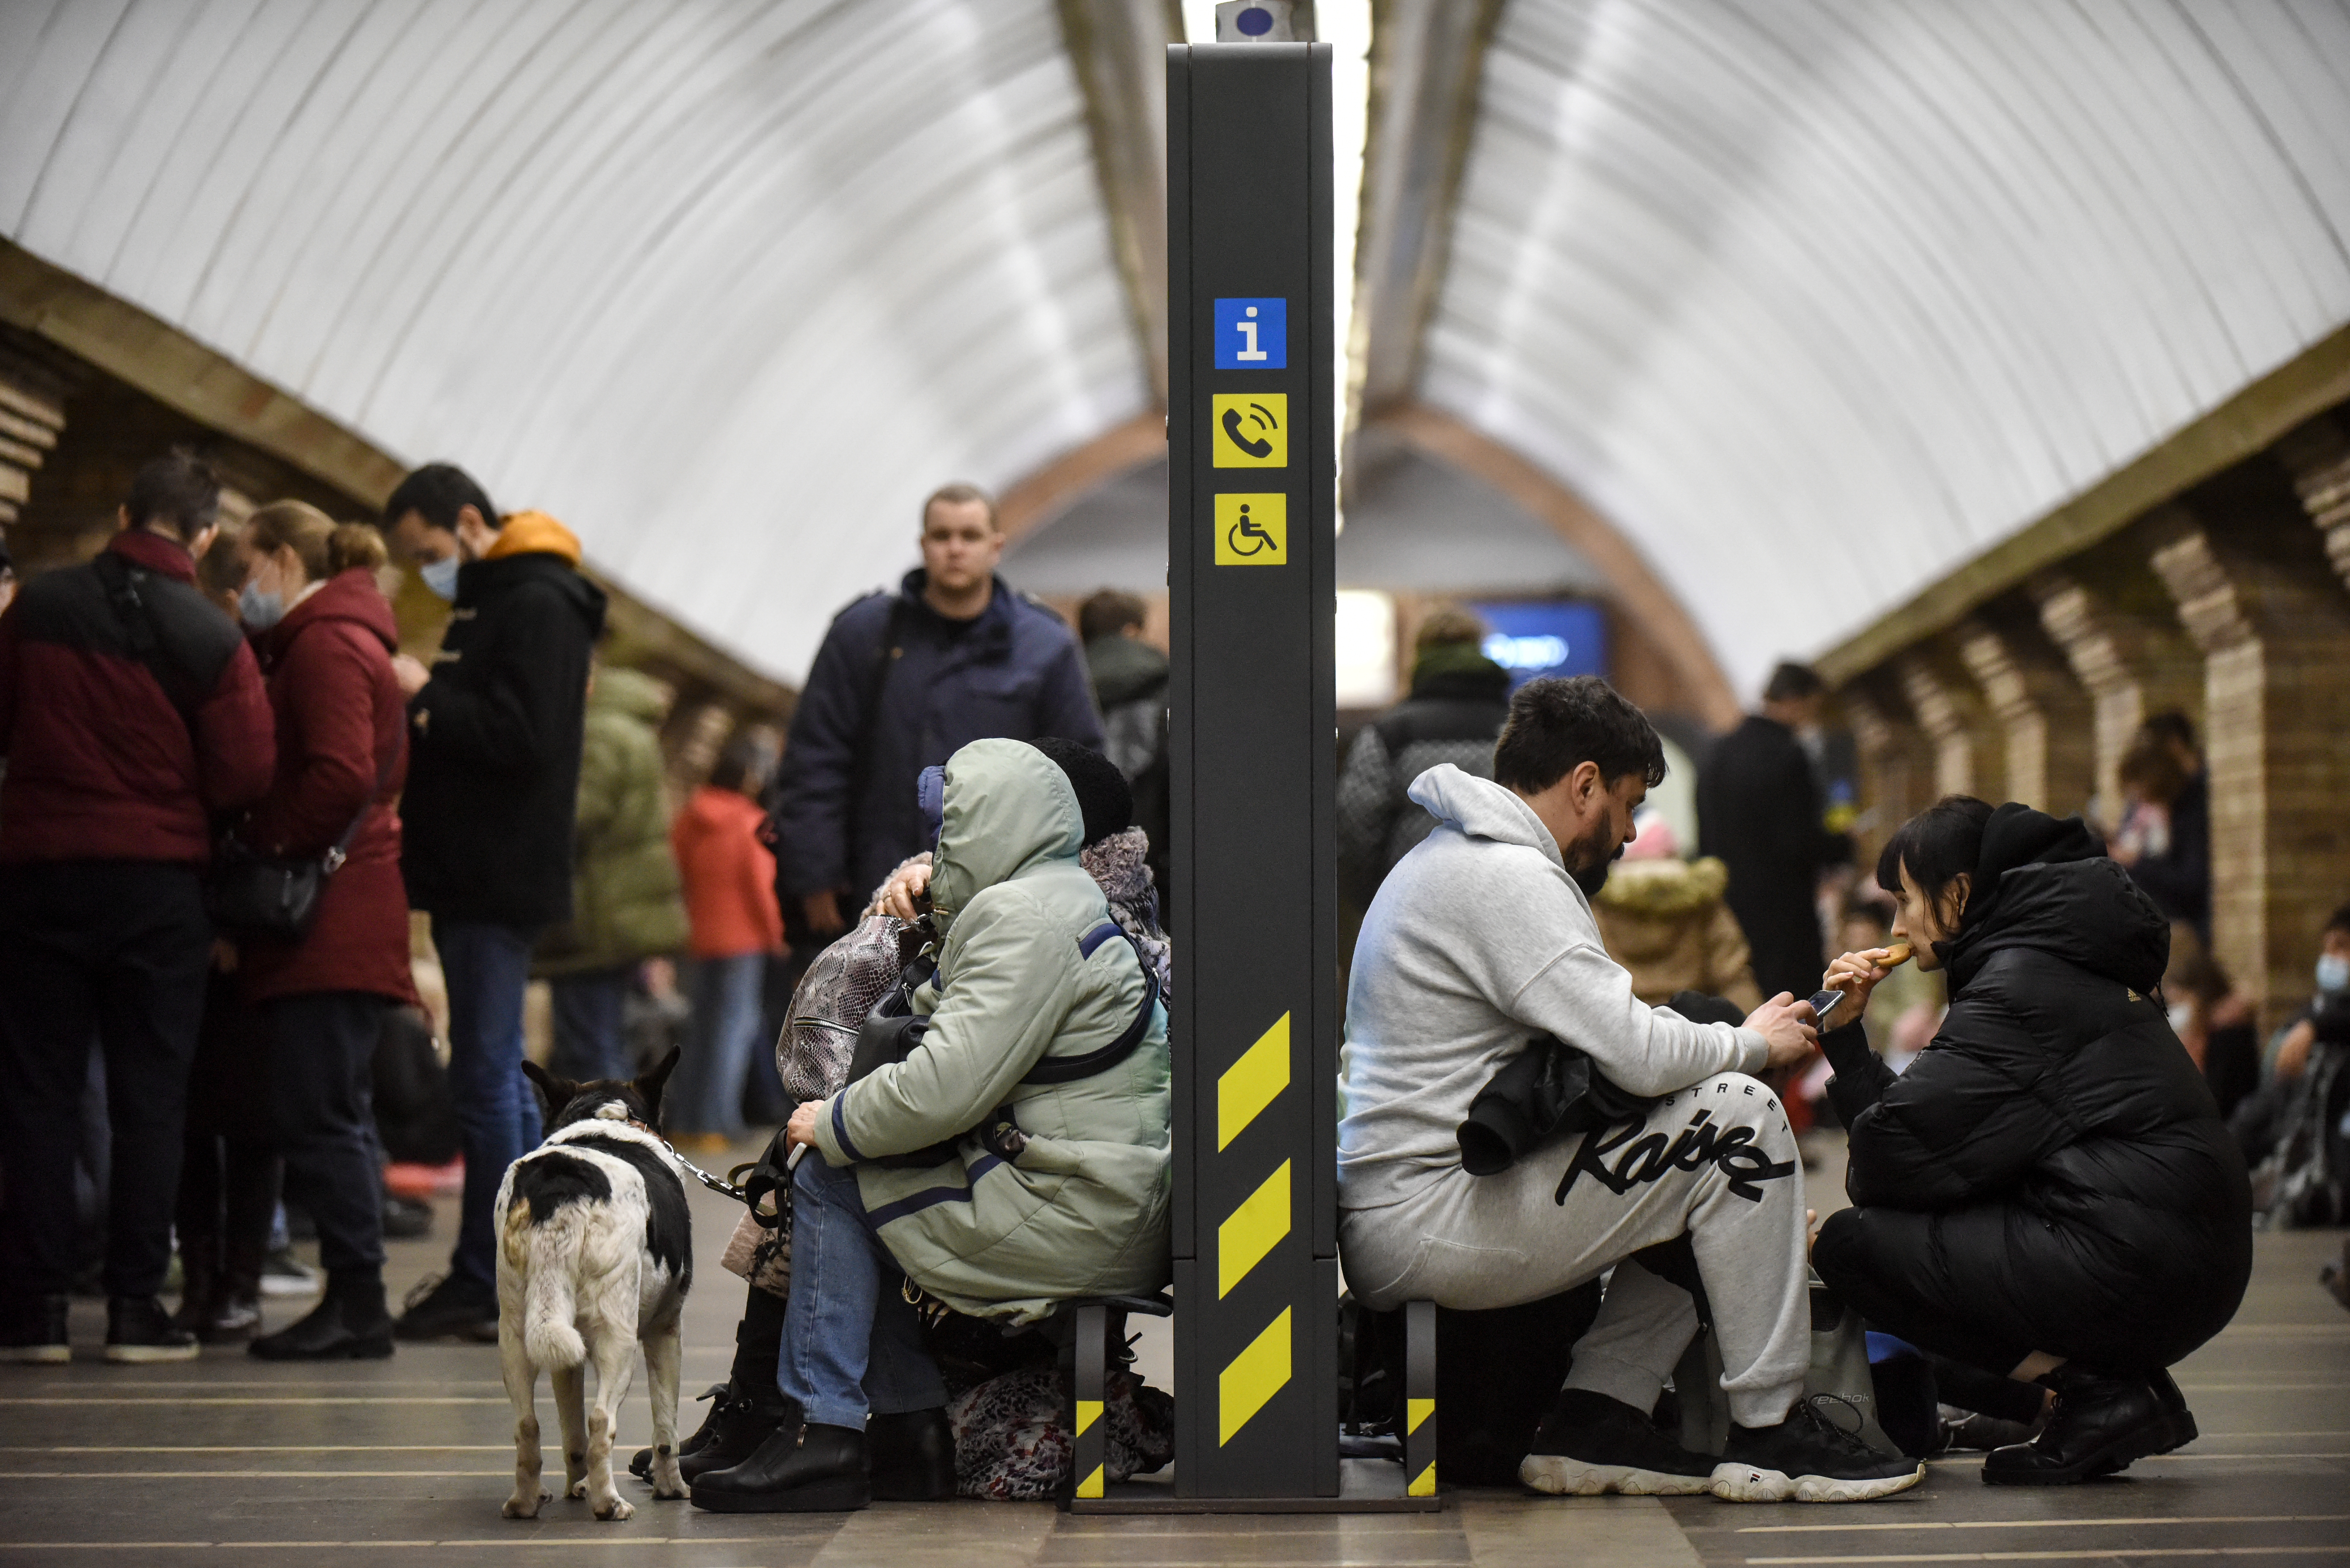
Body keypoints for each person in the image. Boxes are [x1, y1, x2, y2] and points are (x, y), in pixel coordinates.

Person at [1338, 675, 1920, 1503]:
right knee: (1742, 1119)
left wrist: (1736, 1041)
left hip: (1418, 1206)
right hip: (1434, 1219)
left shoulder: (1452, 860)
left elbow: (1616, 1044)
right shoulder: (1506, 878)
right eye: (1628, 803)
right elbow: (1635, 1051)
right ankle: (1771, 1432)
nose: (1630, 832)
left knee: (1699, 1131)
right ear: (1584, 784)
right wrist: (1751, 1044)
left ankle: (1596, 1421)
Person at [690, 738, 1170, 1512]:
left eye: (953, 825)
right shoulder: (1050, 899)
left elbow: (945, 1082)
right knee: (863, 1179)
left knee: (832, 1175)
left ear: (994, 823)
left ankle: (824, 1431)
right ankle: (904, 1435)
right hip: (1093, 1190)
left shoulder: (1023, 918)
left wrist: (831, 1120)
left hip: (1073, 1209)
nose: (940, 842)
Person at [1810, 796, 2252, 1485]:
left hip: (2140, 1257)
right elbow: (1927, 1153)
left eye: (1903, 901)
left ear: (1956, 895)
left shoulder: (2019, 985)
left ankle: (2099, 1393)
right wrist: (1847, 1041)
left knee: (1851, 1247)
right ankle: (2102, 1390)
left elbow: (1890, 1164)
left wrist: (1842, 1042)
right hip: (2173, 1248)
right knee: (1898, 1232)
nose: (1895, 925)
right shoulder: (2050, 962)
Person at [0, 450, 276, 1364]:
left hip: (39, 874)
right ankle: (132, 1311)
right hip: (159, 890)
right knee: (149, 1101)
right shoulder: (211, 636)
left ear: (124, 510)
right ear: (202, 537)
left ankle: (33, 1312)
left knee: (37, 1093)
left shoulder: (38, 606)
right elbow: (244, 775)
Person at [382, 464, 606, 1341]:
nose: (426, 568)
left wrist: (423, 696)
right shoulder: (503, 596)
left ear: (470, 521)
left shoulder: (539, 603)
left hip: (493, 870)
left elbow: (525, 736)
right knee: (497, 1073)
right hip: (475, 866)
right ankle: (518, 1258)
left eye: (429, 550)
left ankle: (490, 1274)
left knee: (484, 1078)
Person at [210, 504, 418, 1360]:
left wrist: (261, 846)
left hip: (331, 920)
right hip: (352, 913)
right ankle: (355, 1295)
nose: (246, 591)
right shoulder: (343, 635)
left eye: (251, 570)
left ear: (285, 559)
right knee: (337, 1109)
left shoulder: (328, 643)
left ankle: (358, 1303)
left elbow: (340, 774)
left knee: (322, 1112)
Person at [770, 482, 1103, 952]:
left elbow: (1081, 772)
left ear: (996, 547)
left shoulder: (1045, 646)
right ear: (923, 545)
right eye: (942, 536)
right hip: (873, 885)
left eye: (970, 536)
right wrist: (816, 875)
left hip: (1006, 894)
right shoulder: (864, 636)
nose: (955, 549)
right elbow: (816, 759)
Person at [533, 663, 689, 1084]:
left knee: (587, 1043)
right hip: (623, 909)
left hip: (597, 910)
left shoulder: (600, 732)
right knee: (600, 1036)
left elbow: (579, 814)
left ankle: (612, 1133)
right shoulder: (636, 733)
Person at [1697, 661, 1852, 1004]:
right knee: (1790, 1010)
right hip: (1784, 920)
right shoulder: (1787, 755)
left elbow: (1706, 839)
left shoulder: (1717, 754)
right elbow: (1797, 841)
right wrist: (1843, 843)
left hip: (1728, 915)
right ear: (1797, 700)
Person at [1337, 607, 1512, 895]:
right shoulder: (1516, 729)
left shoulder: (1390, 733)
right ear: (1479, 650)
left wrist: (1376, 896)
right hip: (1502, 892)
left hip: (1412, 897)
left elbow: (1357, 824)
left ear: (1418, 656)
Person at [668, 738, 785, 1148]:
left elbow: (675, 871)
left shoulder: (690, 815)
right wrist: (777, 936)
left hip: (696, 938)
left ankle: (684, 1119)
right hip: (742, 940)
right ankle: (717, 1123)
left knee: (695, 1032)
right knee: (731, 1034)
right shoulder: (749, 820)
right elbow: (761, 887)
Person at [1589, 811, 1763, 1014]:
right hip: (1700, 1031)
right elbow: (1734, 979)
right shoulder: (1703, 903)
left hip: (1625, 1029)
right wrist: (1756, 1035)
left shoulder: (1600, 908)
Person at [1078, 589, 1169, 895]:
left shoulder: (1064, 684)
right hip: (1154, 859)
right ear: (1133, 630)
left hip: (1077, 864)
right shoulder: (1168, 684)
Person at [2111, 714, 2209, 939]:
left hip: (2177, 926)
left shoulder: (2191, 812)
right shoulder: (2140, 813)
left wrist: (2136, 862)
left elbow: (2191, 883)